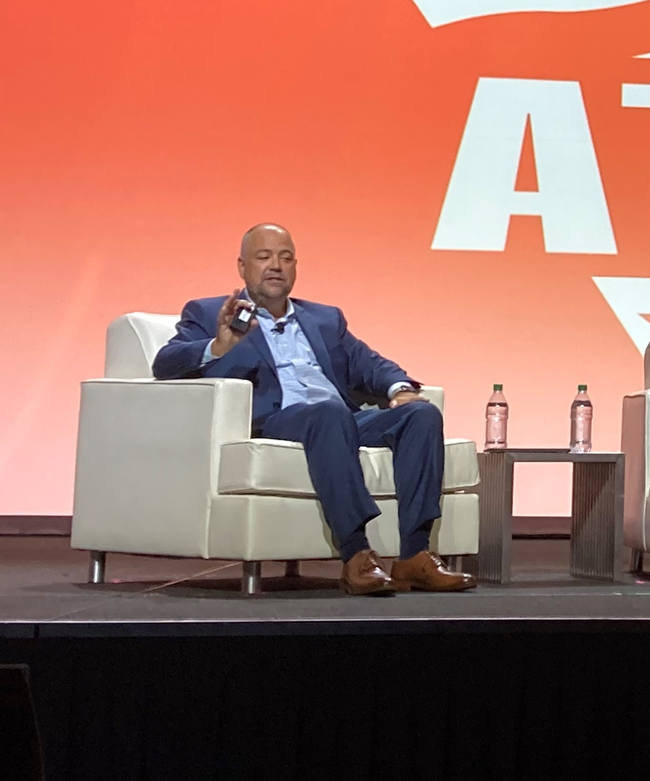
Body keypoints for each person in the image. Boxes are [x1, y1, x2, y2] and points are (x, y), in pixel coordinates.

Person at [151, 224, 474, 596]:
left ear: (295, 267)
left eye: (286, 258)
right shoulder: (209, 312)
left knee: (421, 415)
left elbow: (369, 363)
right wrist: (217, 347)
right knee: (328, 413)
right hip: (278, 420)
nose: (276, 265)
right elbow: (165, 363)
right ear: (242, 267)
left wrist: (399, 389)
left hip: (341, 420)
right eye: (264, 257)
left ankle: (414, 555)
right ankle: (356, 554)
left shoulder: (324, 319)